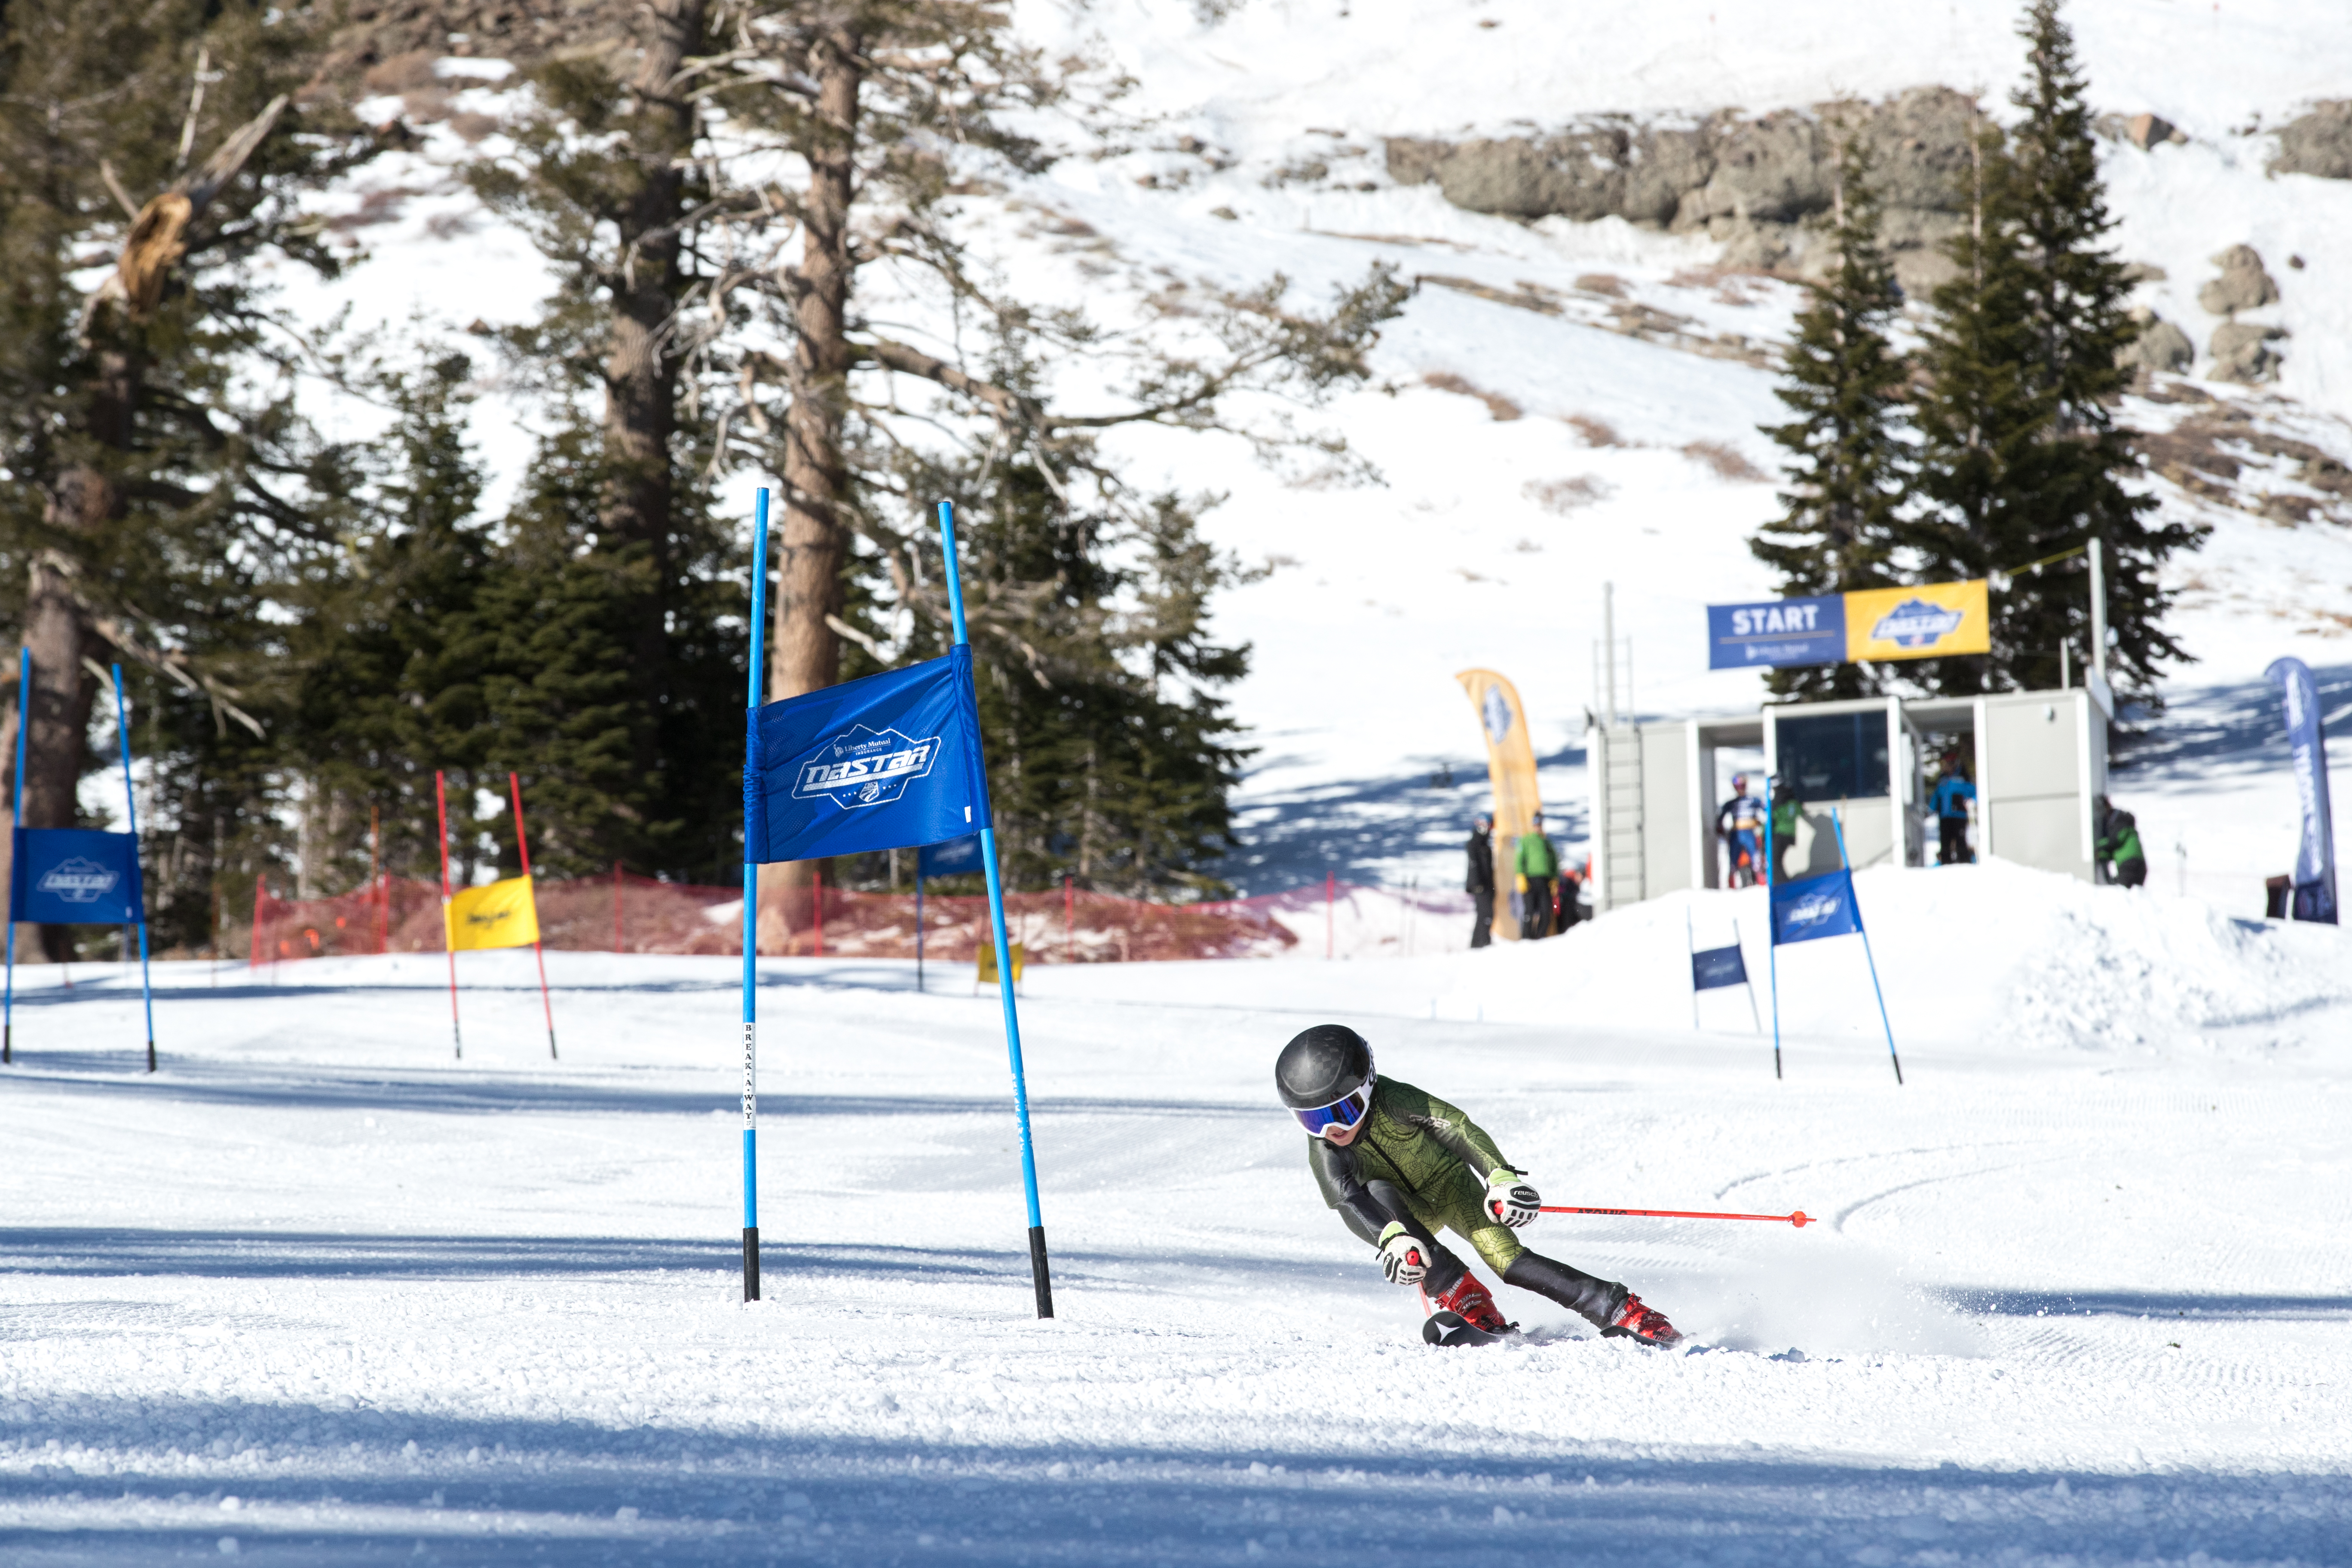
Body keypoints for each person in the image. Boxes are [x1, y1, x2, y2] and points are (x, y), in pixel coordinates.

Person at [1275, 1024, 1684, 1346]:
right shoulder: (1324, 1148)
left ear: (1368, 1087)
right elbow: (1346, 1198)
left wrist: (1499, 1176)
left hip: (1451, 1186)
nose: (1332, 1129)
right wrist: (1389, 1237)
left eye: (1346, 1111)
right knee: (1383, 1201)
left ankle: (1621, 1310)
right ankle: (1464, 1295)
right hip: (1399, 1217)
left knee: (1511, 1262)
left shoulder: (1395, 1099)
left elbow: (1458, 1128)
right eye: (1312, 1121)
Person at [1715, 772, 1766, 888]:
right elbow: (1720, 818)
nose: (1741, 790)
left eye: (1742, 787)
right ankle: (1731, 886)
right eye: (1738, 787)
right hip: (1736, 834)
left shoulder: (1753, 801)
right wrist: (1721, 830)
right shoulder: (1731, 803)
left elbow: (1767, 809)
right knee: (1733, 861)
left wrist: (1763, 825)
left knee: (1756, 860)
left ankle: (1762, 884)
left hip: (1750, 833)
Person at [1514, 811, 1558, 939]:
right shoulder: (1526, 841)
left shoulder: (1547, 843)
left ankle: (1540, 937)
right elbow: (1520, 860)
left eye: (1540, 823)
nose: (1538, 826)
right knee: (1530, 911)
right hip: (1530, 880)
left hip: (1545, 881)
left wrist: (1554, 878)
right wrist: (1521, 876)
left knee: (1546, 912)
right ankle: (1526, 938)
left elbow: (1554, 861)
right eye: (1536, 824)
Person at [1930, 760, 1976, 865]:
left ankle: (1965, 862)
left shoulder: (1963, 779)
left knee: (1960, 840)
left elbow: (1976, 792)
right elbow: (1937, 796)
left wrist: (1972, 801)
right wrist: (1931, 810)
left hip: (1959, 816)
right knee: (1945, 841)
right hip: (1945, 817)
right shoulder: (1943, 780)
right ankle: (1946, 863)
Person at [2095, 796, 2147, 888]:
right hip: (2140, 866)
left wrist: (2099, 846)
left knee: (2124, 893)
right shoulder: (2125, 823)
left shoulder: (2120, 822)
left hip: (2129, 865)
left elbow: (2114, 841)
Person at [1465, 813, 1496, 949]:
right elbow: (1474, 865)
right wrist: (1476, 884)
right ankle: (1481, 943)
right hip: (1480, 886)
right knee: (1485, 914)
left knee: (1485, 914)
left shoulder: (1485, 845)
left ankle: (1480, 943)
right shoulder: (1475, 844)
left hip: (1487, 886)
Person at [1767, 775, 1803, 884]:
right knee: (1778, 861)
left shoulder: (1777, 801)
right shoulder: (1792, 799)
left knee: (1774, 862)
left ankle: (1784, 885)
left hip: (1780, 834)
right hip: (1791, 835)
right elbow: (1800, 811)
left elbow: (1771, 819)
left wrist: (1765, 836)